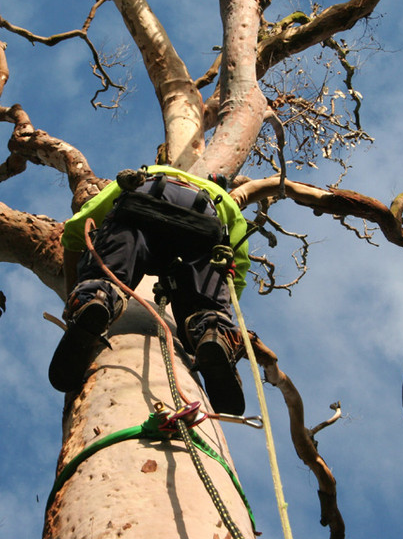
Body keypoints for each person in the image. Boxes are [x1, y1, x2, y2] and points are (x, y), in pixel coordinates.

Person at [49, 164, 251, 415]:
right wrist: (222, 307)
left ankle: (97, 300)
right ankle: (213, 332)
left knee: (109, 275)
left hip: (143, 203)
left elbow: (76, 230)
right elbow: (237, 264)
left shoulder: (145, 175)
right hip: (202, 224)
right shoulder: (222, 200)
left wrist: (76, 291)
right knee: (205, 307)